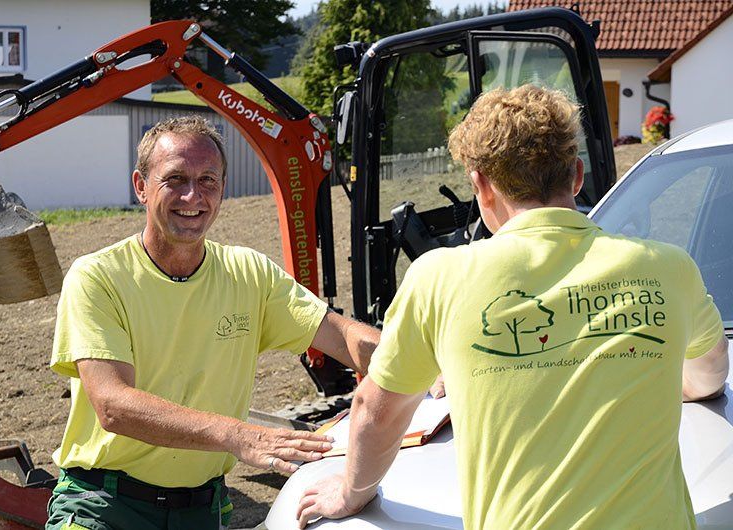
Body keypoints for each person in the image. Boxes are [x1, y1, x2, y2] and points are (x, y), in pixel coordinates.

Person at [297, 85, 729, 529]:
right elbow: (711, 371)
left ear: (481, 185)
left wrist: (350, 492)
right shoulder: (668, 268)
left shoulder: (439, 278)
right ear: (577, 175)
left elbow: (376, 411)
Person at [46, 116, 381, 530]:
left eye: (208, 180)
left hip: (202, 509)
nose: (193, 195)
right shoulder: (98, 277)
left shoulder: (247, 272)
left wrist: (422, 361)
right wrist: (241, 436)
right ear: (141, 187)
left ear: (223, 187)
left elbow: (342, 336)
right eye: (175, 179)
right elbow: (114, 405)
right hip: (105, 505)